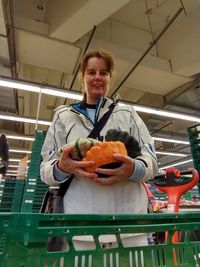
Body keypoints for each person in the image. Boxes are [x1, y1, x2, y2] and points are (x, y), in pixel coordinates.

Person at [40, 49, 158, 249]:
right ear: (82, 76)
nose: (97, 77)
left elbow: (152, 161)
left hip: (129, 224)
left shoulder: (128, 114)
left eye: (103, 73)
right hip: (80, 226)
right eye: (91, 72)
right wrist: (63, 167)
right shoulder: (63, 117)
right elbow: (45, 169)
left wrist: (133, 169)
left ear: (110, 78)